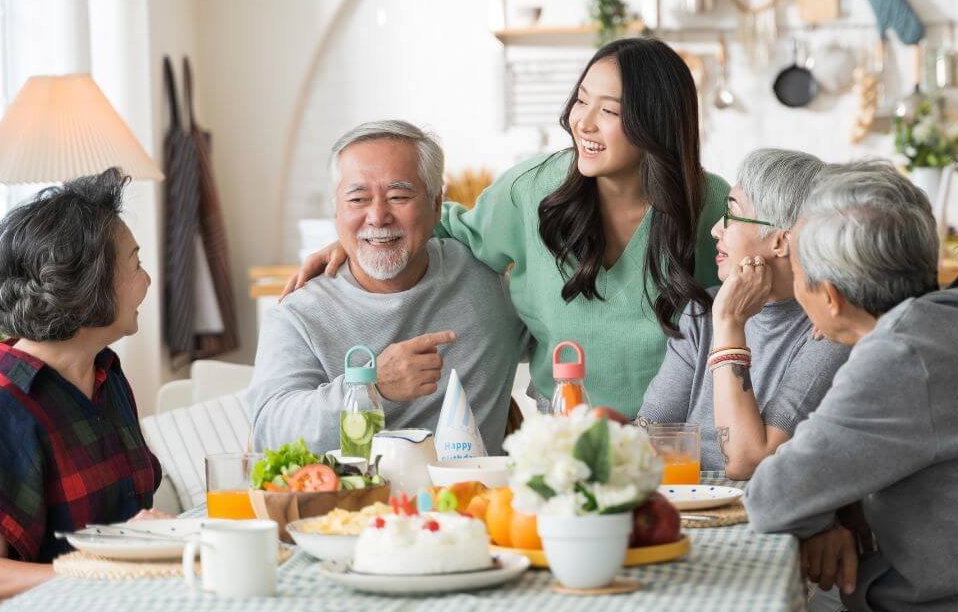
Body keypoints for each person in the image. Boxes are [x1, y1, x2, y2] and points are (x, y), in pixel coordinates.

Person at [284, 38, 730, 418]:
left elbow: (742, 315)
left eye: (609, 110)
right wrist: (350, 241)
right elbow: (447, 227)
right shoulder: (532, 190)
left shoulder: (708, 203)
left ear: (656, 120)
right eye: (581, 100)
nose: (583, 122)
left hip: (677, 439)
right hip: (565, 441)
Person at [744, 162, 958, 612]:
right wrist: (825, 515)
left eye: (801, 280)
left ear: (831, 296)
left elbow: (770, 497)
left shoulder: (904, 356)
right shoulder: (953, 318)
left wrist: (814, 511)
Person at [0, 169, 163, 612]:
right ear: (88, 284)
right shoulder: (2, 404)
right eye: (135, 264)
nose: (146, 282)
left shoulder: (105, 373)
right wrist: (94, 574)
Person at [250, 121, 529, 455]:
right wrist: (372, 388)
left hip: (479, 501)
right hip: (353, 503)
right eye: (357, 199)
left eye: (398, 196)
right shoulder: (300, 312)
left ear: (437, 204)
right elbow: (271, 431)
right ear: (336, 211)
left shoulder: (485, 277)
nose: (378, 216)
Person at [638, 148, 849, 479]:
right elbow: (647, 435)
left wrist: (730, 325)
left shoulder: (830, 330)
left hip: (761, 515)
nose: (716, 230)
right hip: (686, 501)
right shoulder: (703, 310)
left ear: (781, 242)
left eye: (732, 215)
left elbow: (750, 462)